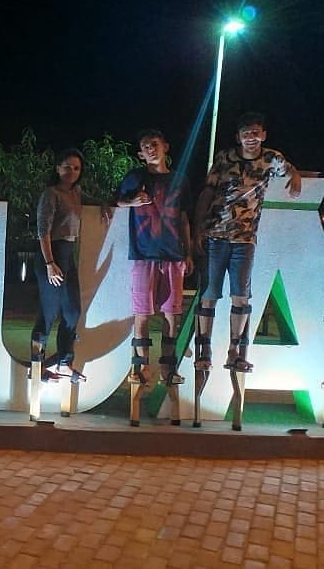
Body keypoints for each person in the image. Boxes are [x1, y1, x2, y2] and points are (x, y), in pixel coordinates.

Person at [193, 112, 301, 373]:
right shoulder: (224, 158)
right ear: (238, 137)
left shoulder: (271, 158)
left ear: (263, 135)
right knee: (209, 295)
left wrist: (296, 175)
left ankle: (235, 352)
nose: (250, 138)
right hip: (216, 235)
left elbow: (289, 169)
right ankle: (204, 349)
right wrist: (198, 229)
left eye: (255, 132)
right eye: (245, 133)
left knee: (241, 296)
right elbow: (207, 192)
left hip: (245, 239)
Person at [115, 129, 193, 385]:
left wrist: (188, 252)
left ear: (165, 147)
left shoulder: (180, 180)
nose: (150, 148)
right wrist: (132, 201)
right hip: (143, 254)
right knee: (142, 313)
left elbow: (184, 218)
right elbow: (115, 202)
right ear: (140, 154)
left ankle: (168, 368)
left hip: (173, 255)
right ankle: (140, 367)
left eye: (154, 144)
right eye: (145, 146)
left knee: (172, 314)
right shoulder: (135, 178)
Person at [31, 148, 87, 381]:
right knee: (48, 312)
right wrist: (50, 262)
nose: (72, 171)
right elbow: (43, 229)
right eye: (67, 167)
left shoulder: (77, 192)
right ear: (57, 169)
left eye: (76, 168)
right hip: (51, 254)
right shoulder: (51, 193)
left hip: (68, 255)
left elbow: (93, 203)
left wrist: (110, 205)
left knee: (73, 311)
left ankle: (64, 362)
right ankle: (37, 367)